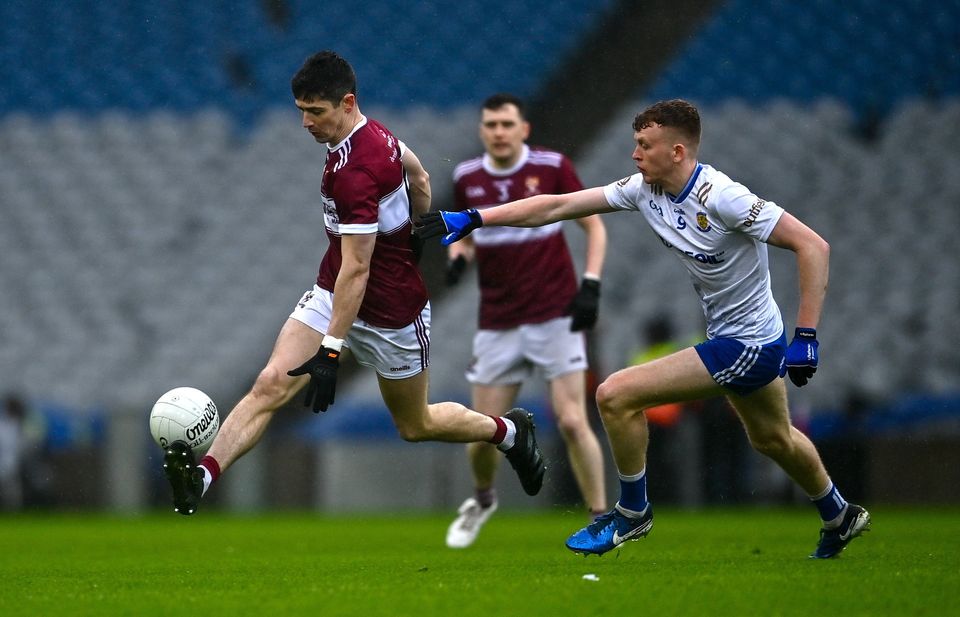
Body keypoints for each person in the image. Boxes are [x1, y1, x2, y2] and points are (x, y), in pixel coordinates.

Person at [417, 99, 871, 559]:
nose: (635, 154)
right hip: (732, 335)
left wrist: (807, 336)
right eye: (635, 143)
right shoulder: (643, 189)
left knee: (614, 395)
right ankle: (840, 515)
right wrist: (476, 217)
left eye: (644, 145)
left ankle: (633, 513)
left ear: (677, 151)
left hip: (751, 343)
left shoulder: (723, 197)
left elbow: (813, 246)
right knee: (772, 438)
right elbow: (558, 205)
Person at [161, 50, 545, 516]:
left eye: (315, 112)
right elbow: (418, 172)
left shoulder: (357, 173)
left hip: (391, 313)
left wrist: (330, 350)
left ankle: (508, 432)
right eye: (301, 110)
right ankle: (201, 480)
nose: (305, 121)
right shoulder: (376, 135)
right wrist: (420, 225)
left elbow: (359, 270)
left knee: (416, 424)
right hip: (334, 291)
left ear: (346, 102)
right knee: (269, 385)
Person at [443, 94, 608, 548]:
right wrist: (459, 256)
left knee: (574, 420)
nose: (498, 131)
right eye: (490, 124)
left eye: (506, 123)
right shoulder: (467, 177)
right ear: (482, 130)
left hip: (556, 314)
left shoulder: (553, 167)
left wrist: (591, 283)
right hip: (498, 320)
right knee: (480, 432)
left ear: (523, 129)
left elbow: (593, 224)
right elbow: (467, 237)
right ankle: (482, 499)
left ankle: (601, 517)